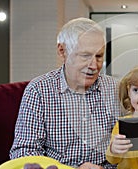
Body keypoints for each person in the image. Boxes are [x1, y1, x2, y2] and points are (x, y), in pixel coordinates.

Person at [9, 17, 121, 169]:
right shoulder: (39, 90)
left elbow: (131, 146)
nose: (94, 65)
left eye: (99, 56)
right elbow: (24, 152)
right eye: (85, 56)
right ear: (62, 51)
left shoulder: (116, 89)